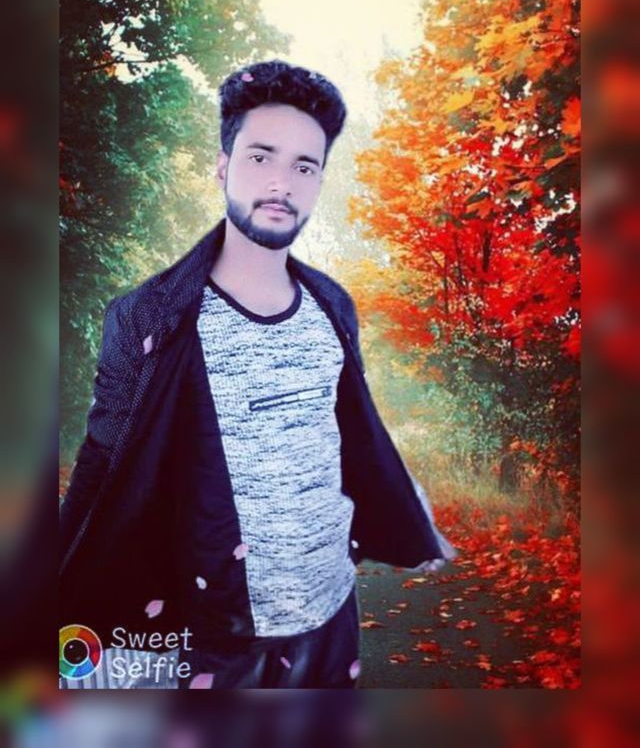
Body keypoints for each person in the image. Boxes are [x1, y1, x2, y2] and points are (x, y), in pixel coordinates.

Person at [60, 60, 456, 689]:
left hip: (330, 615)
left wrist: (411, 519)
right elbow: (103, 463)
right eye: (261, 157)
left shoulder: (333, 305)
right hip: (214, 629)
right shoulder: (150, 317)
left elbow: (353, 433)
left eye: (304, 167)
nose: (281, 183)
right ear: (223, 166)